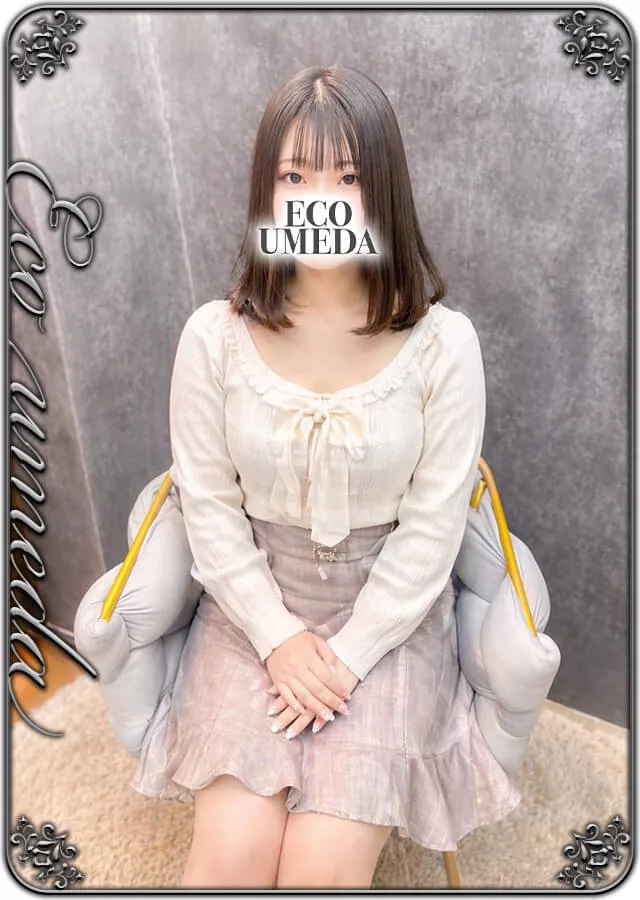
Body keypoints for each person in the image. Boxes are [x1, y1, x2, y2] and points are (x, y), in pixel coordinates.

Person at [130, 64, 522, 889]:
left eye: (347, 177)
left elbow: (433, 528)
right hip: (250, 609)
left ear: (384, 189)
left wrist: (348, 655)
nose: (321, 202)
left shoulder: (444, 345)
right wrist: (277, 637)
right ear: (265, 191)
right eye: (294, 176)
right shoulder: (213, 337)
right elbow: (209, 507)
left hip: (391, 621)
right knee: (231, 861)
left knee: (318, 872)